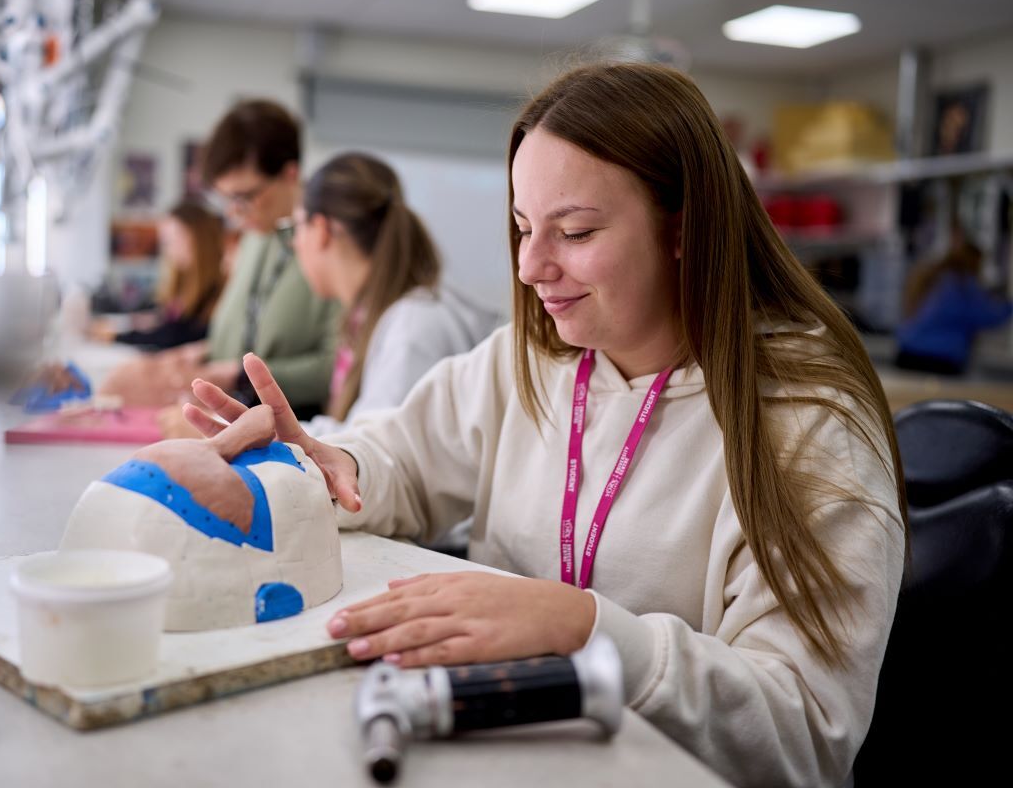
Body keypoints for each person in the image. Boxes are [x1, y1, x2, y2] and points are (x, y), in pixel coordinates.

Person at [182, 64, 908, 788]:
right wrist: (330, 459)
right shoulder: (527, 362)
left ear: (684, 226)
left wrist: (585, 629)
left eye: (576, 231)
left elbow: (807, 735)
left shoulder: (811, 424)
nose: (530, 266)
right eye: (524, 228)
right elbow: (399, 457)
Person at [102, 100, 338, 417]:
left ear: (289, 174)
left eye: (244, 197)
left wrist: (236, 375)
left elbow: (334, 369)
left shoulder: (329, 244)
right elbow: (239, 335)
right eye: (226, 199)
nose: (233, 212)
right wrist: (198, 355)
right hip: (236, 414)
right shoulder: (256, 236)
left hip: (295, 429)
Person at [292, 152, 500, 437]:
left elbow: (375, 448)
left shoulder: (413, 327)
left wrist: (272, 436)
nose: (294, 243)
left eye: (296, 227)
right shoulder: (378, 315)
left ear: (321, 229)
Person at [90, 201, 232, 351]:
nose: (168, 249)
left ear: (199, 239)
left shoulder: (217, 288)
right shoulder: (183, 283)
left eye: (172, 239)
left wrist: (116, 337)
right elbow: (169, 323)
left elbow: (177, 336)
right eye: (165, 241)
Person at [895, 237, 1013, 374]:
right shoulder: (962, 284)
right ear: (974, 261)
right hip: (939, 359)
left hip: (908, 352)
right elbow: (987, 316)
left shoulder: (936, 277)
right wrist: (1009, 306)